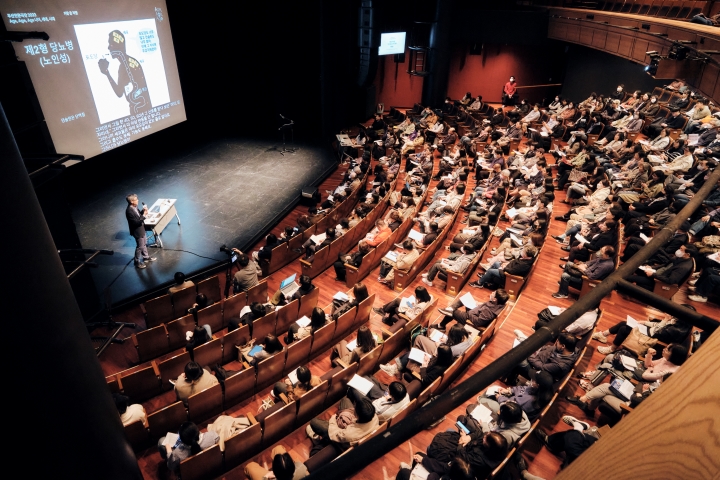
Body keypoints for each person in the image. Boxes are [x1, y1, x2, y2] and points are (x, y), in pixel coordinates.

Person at [98, 30, 151, 116]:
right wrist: (107, 73)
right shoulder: (130, 62)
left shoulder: (124, 66)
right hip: (142, 109)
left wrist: (107, 73)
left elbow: (119, 93)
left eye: (111, 44)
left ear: (117, 46)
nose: (108, 48)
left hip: (138, 110)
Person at [477, 371, 554, 421]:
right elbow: (522, 389)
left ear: (538, 385)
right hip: (511, 401)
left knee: (482, 399)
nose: (531, 380)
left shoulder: (530, 400)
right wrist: (509, 390)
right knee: (493, 388)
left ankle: (482, 401)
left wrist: (499, 397)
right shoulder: (541, 389)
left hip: (510, 411)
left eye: (534, 380)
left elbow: (511, 406)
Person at [307, 396, 379, 449]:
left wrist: (334, 418)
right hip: (353, 426)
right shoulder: (374, 417)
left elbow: (334, 433)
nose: (354, 406)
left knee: (313, 422)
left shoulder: (347, 434)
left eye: (355, 407)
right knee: (345, 399)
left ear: (357, 415)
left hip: (341, 438)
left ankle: (318, 439)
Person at [457, 401, 531, 447]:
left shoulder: (506, 437)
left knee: (461, 418)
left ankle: (464, 430)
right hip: (495, 427)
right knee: (471, 408)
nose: (499, 412)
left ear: (505, 419)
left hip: (487, 436)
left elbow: (489, 439)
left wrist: (484, 426)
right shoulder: (518, 413)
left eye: (501, 413)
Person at [512, 333, 579, 382]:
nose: (556, 343)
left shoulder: (560, 365)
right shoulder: (572, 349)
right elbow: (550, 348)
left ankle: (510, 380)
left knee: (517, 357)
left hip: (537, 372)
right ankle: (523, 340)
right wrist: (539, 348)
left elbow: (542, 367)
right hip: (541, 356)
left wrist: (530, 356)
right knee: (534, 343)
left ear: (563, 346)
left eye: (558, 342)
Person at [432, 289, 509, 331]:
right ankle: (449, 309)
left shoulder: (488, 312)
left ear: (495, 299)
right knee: (463, 300)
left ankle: (441, 325)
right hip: (477, 311)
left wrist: (469, 313)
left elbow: (478, 322)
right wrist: (480, 304)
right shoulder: (499, 303)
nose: (492, 292)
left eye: (493, 293)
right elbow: (488, 305)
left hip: (471, 318)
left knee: (453, 312)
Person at [535, 416, 600, 466]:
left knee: (572, 439)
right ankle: (551, 442)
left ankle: (578, 428)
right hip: (594, 453)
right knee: (583, 439)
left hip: (583, 465)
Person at [125, 194, 156, 269]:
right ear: (132, 201)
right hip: (137, 231)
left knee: (144, 243)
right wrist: (144, 215)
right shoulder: (129, 211)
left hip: (141, 228)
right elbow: (136, 222)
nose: (138, 200)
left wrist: (143, 211)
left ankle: (146, 257)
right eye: (136, 199)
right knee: (140, 246)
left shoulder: (134, 207)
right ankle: (136, 262)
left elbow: (139, 216)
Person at [244, 445, 309, 480]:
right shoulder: (301, 468)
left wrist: (266, 476)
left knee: (250, 467)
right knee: (278, 449)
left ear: (274, 472)